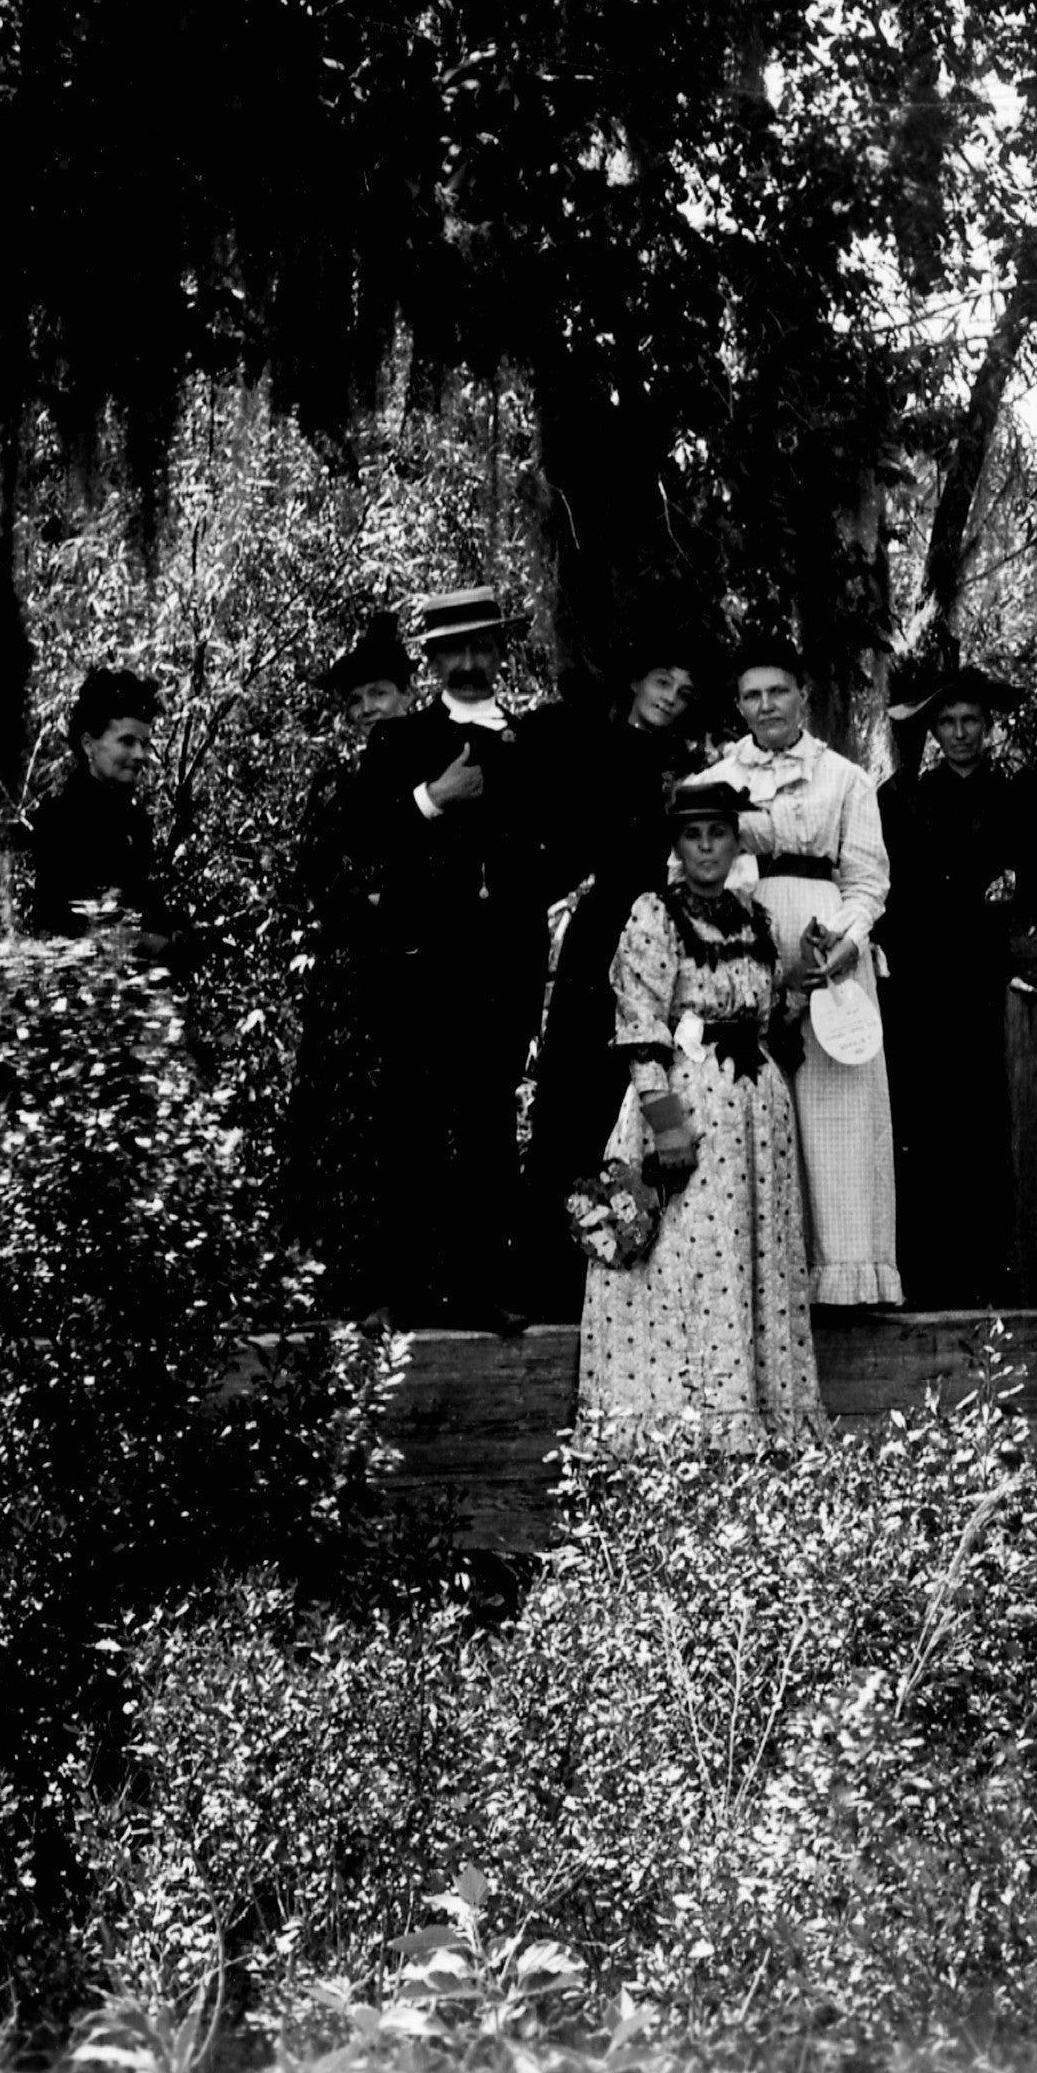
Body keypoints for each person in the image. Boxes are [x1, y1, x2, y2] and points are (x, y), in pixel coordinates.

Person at [306, 583, 547, 1326]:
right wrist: (431, 798)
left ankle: (483, 1289)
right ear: (434, 658)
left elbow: (562, 842)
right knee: (408, 1124)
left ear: (500, 651)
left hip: (503, 965)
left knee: (486, 1127)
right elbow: (358, 843)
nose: (470, 662)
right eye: (455, 650)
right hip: (418, 966)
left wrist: (528, 892)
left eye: (483, 646)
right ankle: (397, 1293)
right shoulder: (398, 741)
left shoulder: (531, 740)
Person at [569, 772, 824, 1445]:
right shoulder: (655, 914)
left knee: (749, 1257)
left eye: (719, 833)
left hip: (756, 1118)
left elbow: (769, 1017)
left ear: (738, 841)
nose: (707, 847)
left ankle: (757, 1421)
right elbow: (640, 1020)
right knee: (688, 1260)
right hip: (690, 1105)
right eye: (693, 835)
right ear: (677, 844)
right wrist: (665, 1123)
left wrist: (803, 979)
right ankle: (684, 1426)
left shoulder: (754, 917)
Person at [509, 650, 707, 1310]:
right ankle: (554, 1274)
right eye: (661, 678)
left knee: (646, 1094)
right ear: (634, 680)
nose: (670, 695)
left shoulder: (693, 767)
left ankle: (638, 1277)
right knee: (574, 1095)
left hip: (666, 936)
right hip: (603, 934)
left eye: (683, 689)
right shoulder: (590, 745)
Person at [705, 642, 898, 1305]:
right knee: (752, 1104)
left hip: (828, 953)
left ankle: (844, 1282)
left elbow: (868, 879)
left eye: (778, 691)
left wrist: (845, 940)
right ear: (739, 704)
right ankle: (760, 1285)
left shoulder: (845, 777)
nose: (767, 706)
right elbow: (694, 876)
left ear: (802, 696)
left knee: (836, 1109)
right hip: (745, 955)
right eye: (753, 695)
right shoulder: (713, 780)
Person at [880, 660, 1037, 1306]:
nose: (961, 732)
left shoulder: (1015, 790)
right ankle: (923, 1280)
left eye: (972, 720)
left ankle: (987, 1280)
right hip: (917, 976)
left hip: (981, 973)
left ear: (988, 726)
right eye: (949, 721)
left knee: (983, 1123)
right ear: (933, 728)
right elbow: (879, 884)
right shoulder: (905, 796)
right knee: (922, 1123)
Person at [21, 664, 176, 938]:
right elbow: (58, 924)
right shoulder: (59, 820)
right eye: (127, 742)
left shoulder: (134, 820)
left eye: (145, 743)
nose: (140, 755)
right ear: (88, 745)